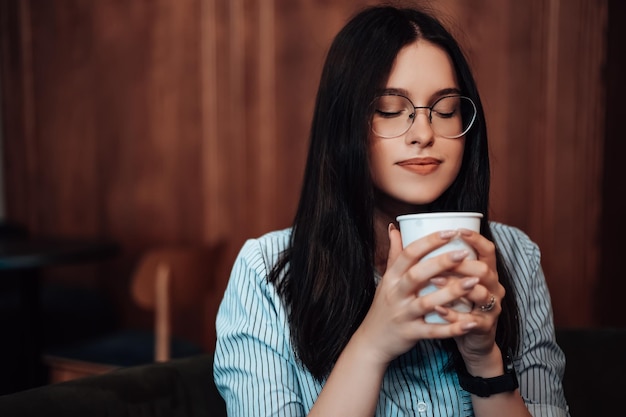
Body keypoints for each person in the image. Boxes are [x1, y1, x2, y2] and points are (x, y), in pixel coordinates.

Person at [213, 4, 570, 417]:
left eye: (446, 109)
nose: (424, 133)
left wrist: (484, 359)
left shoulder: (515, 258)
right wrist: (372, 344)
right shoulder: (266, 275)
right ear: (345, 124)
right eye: (389, 109)